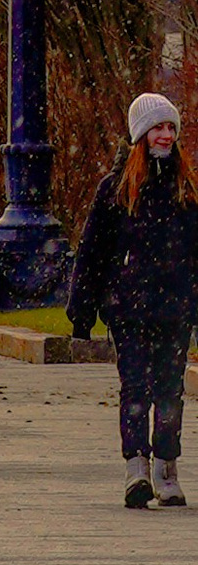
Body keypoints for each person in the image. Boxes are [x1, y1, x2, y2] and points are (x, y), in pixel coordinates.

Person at [66, 91, 198, 507]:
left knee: (170, 391)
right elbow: (93, 252)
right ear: (141, 135)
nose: (165, 136)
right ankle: (136, 467)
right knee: (135, 388)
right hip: (129, 306)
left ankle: (167, 467)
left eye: (170, 128)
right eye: (158, 128)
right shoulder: (116, 190)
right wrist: (82, 311)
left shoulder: (187, 190)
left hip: (174, 306)